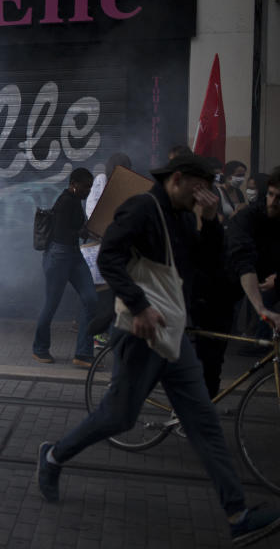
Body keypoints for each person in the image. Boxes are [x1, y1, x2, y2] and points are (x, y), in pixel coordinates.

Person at [35, 154, 280, 547]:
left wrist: (213, 221)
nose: (207, 192)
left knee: (203, 420)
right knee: (117, 417)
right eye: (201, 185)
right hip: (140, 333)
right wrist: (138, 304)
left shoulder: (184, 217)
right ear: (179, 179)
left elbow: (204, 263)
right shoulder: (142, 209)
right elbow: (111, 255)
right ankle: (53, 456)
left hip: (172, 334)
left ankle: (238, 514)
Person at [32, 168, 98, 367]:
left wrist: (83, 231)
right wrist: (81, 231)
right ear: (74, 184)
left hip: (73, 255)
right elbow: (61, 233)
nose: (88, 190)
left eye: (90, 187)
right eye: (86, 186)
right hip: (58, 256)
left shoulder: (75, 200)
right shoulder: (64, 202)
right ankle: (40, 348)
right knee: (51, 304)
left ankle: (83, 354)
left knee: (91, 299)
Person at [84, 153, 132, 348]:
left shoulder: (124, 185)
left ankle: (109, 336)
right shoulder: (102, 180)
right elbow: (92, 210)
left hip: (116, 246)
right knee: (103, 293)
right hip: (101, 245)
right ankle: (99, 337)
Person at [227, 166, 280, 338]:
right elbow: (243, 259)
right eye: (271, 194)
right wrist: (261, 309)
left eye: (279, 197)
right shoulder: (248, 216)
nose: (273, 202)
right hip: (229, 280)